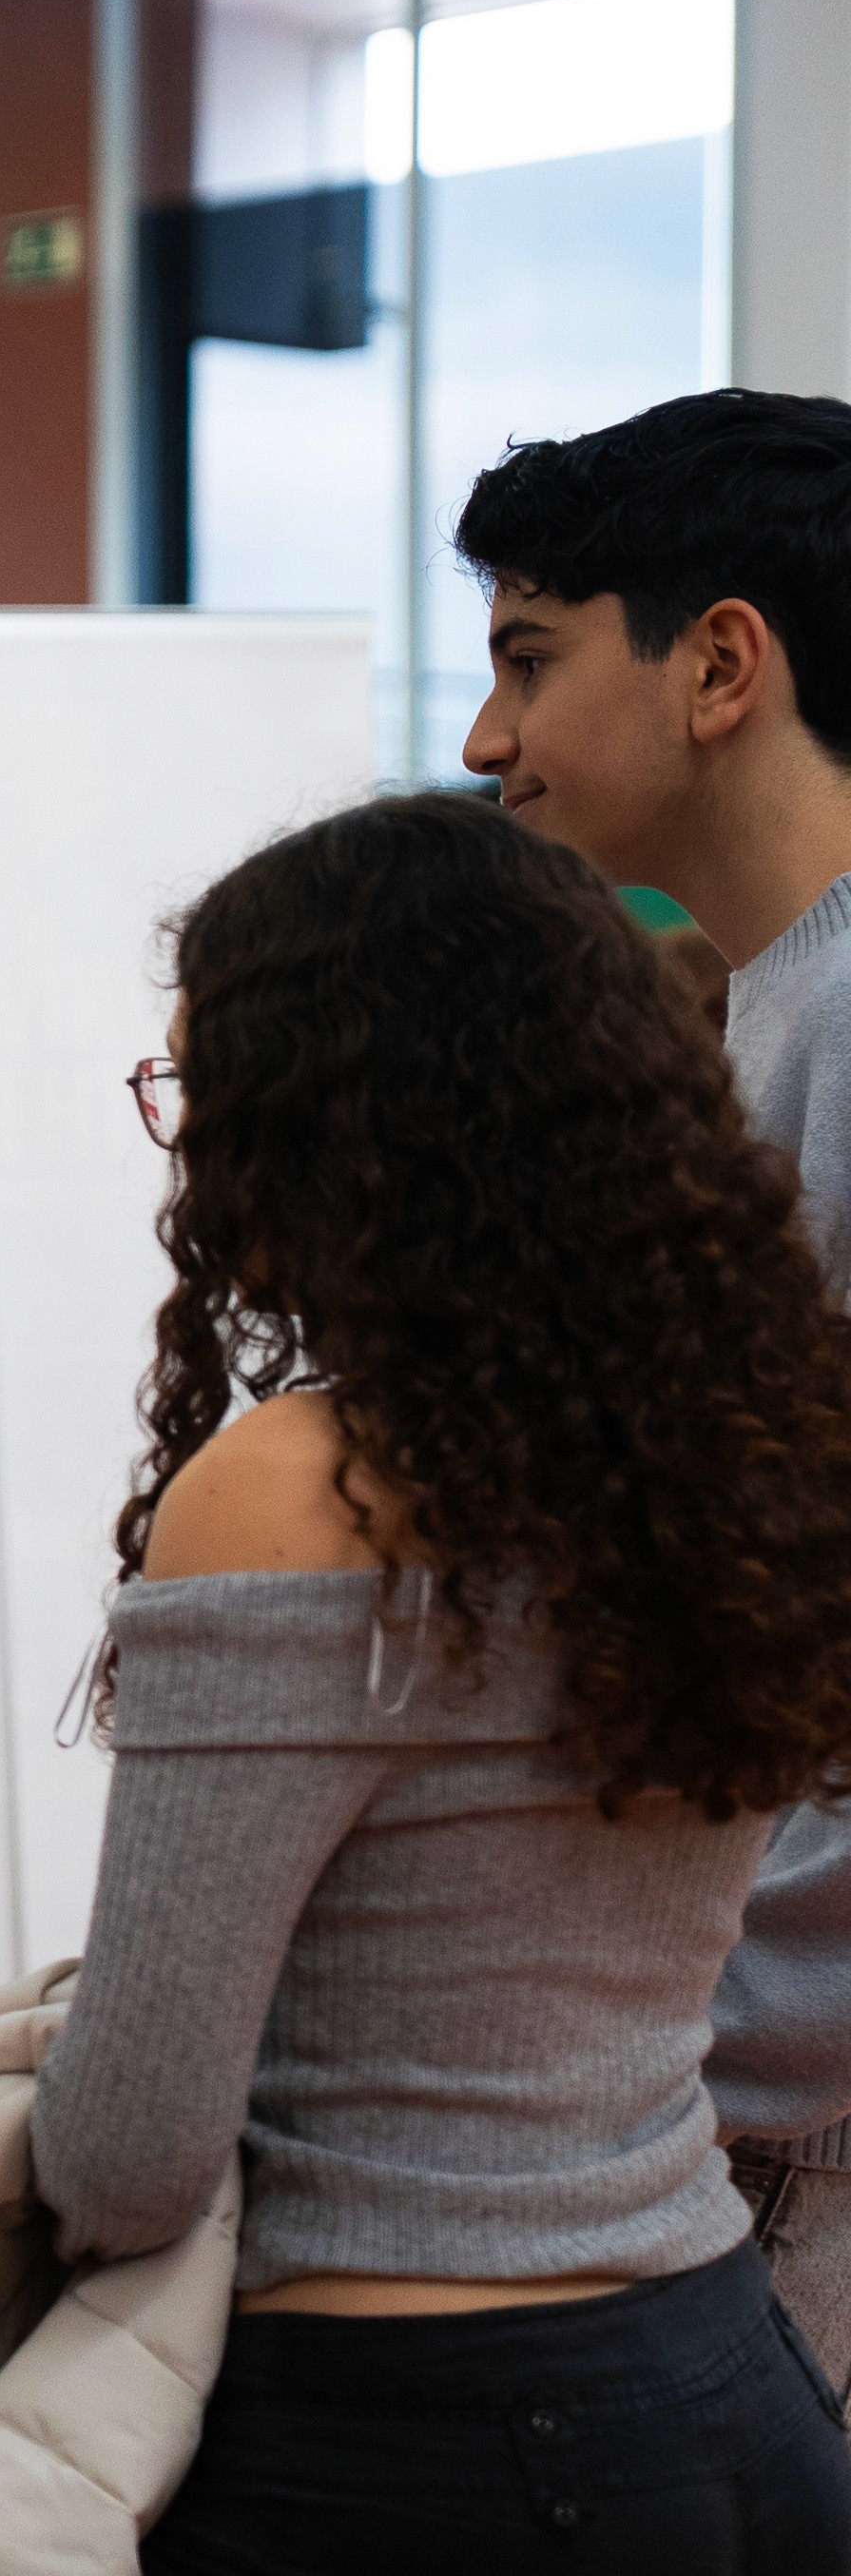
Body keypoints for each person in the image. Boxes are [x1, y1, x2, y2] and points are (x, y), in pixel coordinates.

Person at [30, 795, 851, 2569]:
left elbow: (129, 2154)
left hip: (407, 2441)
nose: (191, 1151)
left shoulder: (293, 1489)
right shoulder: (729, 1460)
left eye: (206, 1090)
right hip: (729, 2376)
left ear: (345, 1115)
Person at [454, 390, 851, 2396]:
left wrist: (685, 2021)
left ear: (717, 666)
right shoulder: (779, 1001)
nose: (484, 738)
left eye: (529, 659)